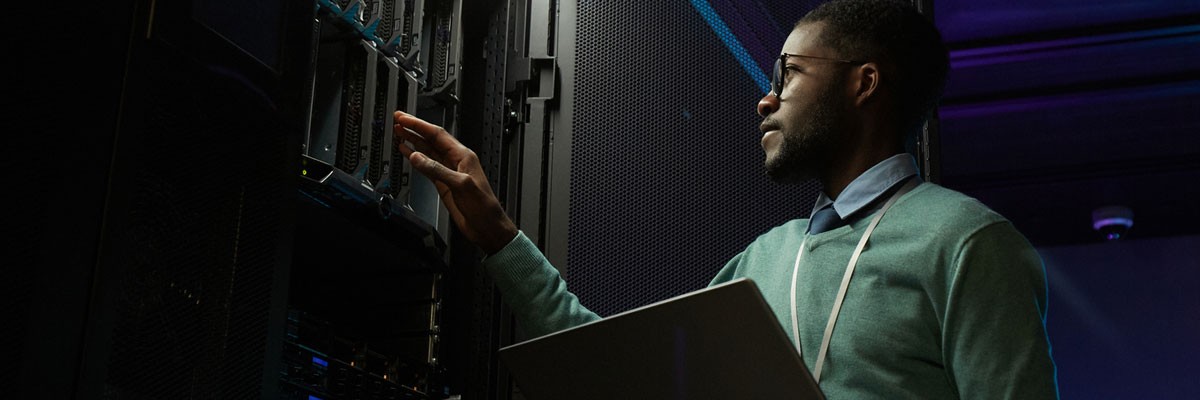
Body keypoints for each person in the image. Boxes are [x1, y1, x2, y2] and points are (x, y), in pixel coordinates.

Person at [392, 0, 1058, 398]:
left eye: (790, 75)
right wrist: (500, 235)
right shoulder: (766, 258)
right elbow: (626, 377)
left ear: (865, 84)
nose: (765, 98)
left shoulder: (968, 243)